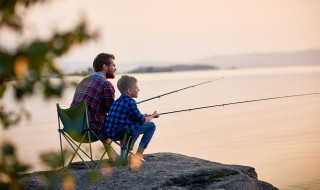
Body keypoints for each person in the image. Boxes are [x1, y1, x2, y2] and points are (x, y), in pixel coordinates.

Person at [70, 53, 117, 159]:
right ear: (105, 67)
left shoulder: (83, 81)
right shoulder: (106, 84)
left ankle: (112, 155)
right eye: (113, 65)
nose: (115, 68)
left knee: (99, 118)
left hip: (73, 128)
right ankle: (122, 156)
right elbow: (112, 112)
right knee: (121, 120)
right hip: (89, 131)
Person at [105, 75, 159, 162]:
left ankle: (126, 154)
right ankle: (138, 155)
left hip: (110, 133)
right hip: (121, 133)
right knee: (151, 126)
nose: (139, 90)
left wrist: (142, 115)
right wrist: (153, 115)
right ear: (129, 91)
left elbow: (127, 115)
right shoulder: (130, 102)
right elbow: (142, 121)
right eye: (137, 88)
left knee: (134, 125)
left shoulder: (116, 101)